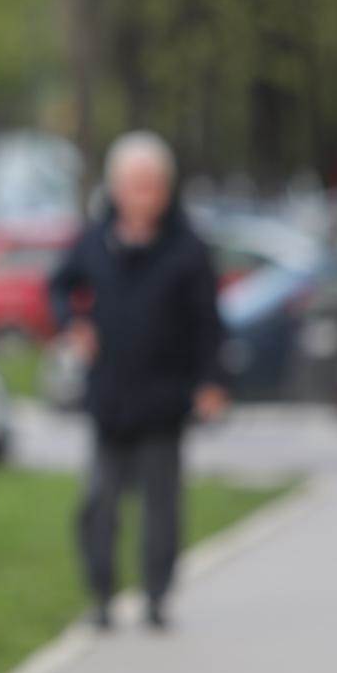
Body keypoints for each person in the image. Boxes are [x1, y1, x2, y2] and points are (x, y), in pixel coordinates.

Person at [48, 131, 225, 632]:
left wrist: (211, 381)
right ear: (116, 188)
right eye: (134, 185)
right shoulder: (95, 240)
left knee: (161, 509)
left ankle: (156, 594)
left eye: (152, 185)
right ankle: (102, 595)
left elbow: (209, 323)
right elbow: (61, 286)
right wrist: (72, 324)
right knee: (99, 504)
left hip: (165, 398)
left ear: (167, 190)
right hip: (109, 397)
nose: (144, 196)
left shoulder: (188, 249)